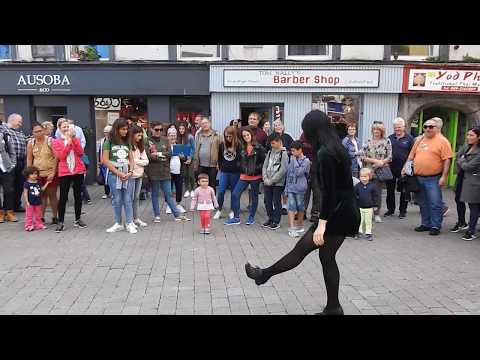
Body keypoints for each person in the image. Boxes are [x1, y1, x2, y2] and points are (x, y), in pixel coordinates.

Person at [244, 110, 360, 315]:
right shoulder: (336, 148)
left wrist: (322, 224)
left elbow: (330, 193)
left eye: (305, 130)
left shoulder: (326, 153)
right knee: (327, 258)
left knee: (302, 249)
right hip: (345, 209)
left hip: (337, 213)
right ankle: (334, 307)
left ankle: (264, 274)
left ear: (313, 130)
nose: (304, 135)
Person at [403, 118, 453, 236]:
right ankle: (425, 224)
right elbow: (411, 156)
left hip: (433, 178)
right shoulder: (420, 139)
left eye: (431, 127)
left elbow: (447, 160)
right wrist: (404, 168)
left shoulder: (443, 141)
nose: (428, 129)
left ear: (437, 128)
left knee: (435, 203)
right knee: (422, 203)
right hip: (418, 177)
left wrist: (444, 177)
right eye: (425, 126)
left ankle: (435, 225)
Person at [145, 121, 190, 223]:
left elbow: (170, 153)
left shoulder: (165, 140)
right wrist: (160, 156)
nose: (159, 132)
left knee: (168, 194)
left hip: (165, 171)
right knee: (155, 194)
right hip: (153, 172)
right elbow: (148, 155)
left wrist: (158, 154)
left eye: (161, 130)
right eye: (157, 130)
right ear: (151, 129)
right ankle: (157, 215)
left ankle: (177, 215)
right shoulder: (147, 141)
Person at [224, 127, 266, 226]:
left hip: (255, 176)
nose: (246, 137)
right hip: (243, 176)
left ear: (251, 135)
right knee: (235, 194)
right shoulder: (241, 147)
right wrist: (241, 167)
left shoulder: (259, 147)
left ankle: (251, 217)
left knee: (254, 197)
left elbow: (263, 162)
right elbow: (238, 160)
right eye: (244, 136)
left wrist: (255, 169)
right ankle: (236, 217)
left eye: (247, 135)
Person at [52, 118, 87, 233]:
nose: (66, 128)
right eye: (64, 127)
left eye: (68, 126)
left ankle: (78, 219)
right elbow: (61, 156)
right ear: (59, 128)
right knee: (63, 197)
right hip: (65, 171)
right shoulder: (56, 141)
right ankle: (61, 221)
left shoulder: (75, 139)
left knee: (78, 195)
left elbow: (80, 152)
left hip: (77, 170)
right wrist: (67, 143)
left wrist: (73, 140)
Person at [102, 117, 136, 234]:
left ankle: (130, 222)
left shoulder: (128, 142)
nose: (125, 131)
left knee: (128, 199)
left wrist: (130, 172)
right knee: (116, 199)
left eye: (126, 129)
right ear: (117, 129)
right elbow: (105, 160)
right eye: (123, 129)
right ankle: (118, 223)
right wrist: (118, 172)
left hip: (127, 173)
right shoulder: (108, 142)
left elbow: (131, 159)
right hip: (114, 174)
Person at [26, 122, 59, 225]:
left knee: (52, 195)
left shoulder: (50, 141)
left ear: (43, 131)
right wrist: (29, 174)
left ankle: (55, 216)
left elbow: (56, 157)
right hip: (37, 174)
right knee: (40, 195)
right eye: (35, 132)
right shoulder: (31, 143)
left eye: (40, 131)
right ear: (32, 132)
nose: (38, 133)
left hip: (50, 171)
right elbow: (29, 158)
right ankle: (41, 217)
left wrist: (53, 172)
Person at [360, 122, 392, 223]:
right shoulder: (368, 142)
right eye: (374, 129)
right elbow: (362, 156)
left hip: (380, 171)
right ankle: (366, 212)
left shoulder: (386, 141)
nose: (376, 131)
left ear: (382, 131)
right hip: (368, 171)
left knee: (377, 193)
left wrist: (381, 162)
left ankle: (377, 213)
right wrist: (374, 161)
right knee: (366, 193)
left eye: (378, 130)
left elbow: (390, 157)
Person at [385, 117, 414, 219]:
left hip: (404, 169)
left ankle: (403, 211)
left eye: (399, 127)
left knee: (404, 191)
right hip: (391, 168)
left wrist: (408, 167)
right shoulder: (390, 138)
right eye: (395, 127)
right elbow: (385, 152)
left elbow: (413, 154)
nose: (397, 129)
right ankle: (390, 210)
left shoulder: (410, 139)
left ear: (404, 127)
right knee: (390, 190)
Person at [456, 127, 480, 241]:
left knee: (474, 206)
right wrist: (461, 160)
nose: (468, 137)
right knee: (470, 205)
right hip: (465, 179)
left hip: (474, 182)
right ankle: (466, 225)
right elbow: (458, 157)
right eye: (468, 135)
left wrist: (461, 161)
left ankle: (471, 231)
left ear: (478, 137)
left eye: (471, 135)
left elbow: (469, 167)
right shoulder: (468, 146)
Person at [1, 113, 27, 213]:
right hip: (9, 161)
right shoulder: (3, 130)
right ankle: (8, 208)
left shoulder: (19, 133)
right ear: (12, 120)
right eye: (19, 122)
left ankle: (16, 205)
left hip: (20, 161)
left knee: (19, 185)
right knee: (9, 186)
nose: (20, 124)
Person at [262, 133, 289, 230]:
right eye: (271, 143)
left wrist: (272, 181)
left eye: (273, 143)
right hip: (267, 181)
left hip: (277, 183)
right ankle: (270, 218)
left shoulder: (284, 153)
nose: (271, 145)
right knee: (267, 201)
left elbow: (283, 169)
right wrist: (265, 178)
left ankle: (276, 221)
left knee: (276, 201)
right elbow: (264, 166)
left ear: (279, 142)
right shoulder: (269, 152)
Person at [214, 125, 241, 220]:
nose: (228, 138)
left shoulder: (238, 145)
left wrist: (238, 167)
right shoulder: (222, 144)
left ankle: (232, 210)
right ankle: (219, 209)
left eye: (230, 136)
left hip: (235, 173)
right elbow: (220, 158)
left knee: (234, 193)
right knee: (221, 191)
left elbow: (240, 159)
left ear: (234, 136)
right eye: (226, 136)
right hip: (224, 172)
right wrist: (221, 167)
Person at [285, 141, 311, 238]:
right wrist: (286, 188)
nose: (292, 153)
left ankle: (299, 225)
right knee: (291, 206)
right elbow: (289, 174)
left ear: (300, 150)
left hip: (300, 188)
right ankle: (292, 227)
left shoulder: (306, 161)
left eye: (294, 151)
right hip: (291, 187)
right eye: (291, 151)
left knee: (300, 207)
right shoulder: (292, 160)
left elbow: (299, 172)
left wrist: (294, 161)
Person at [270, 119, 294, 216]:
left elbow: (293, 148)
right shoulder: (271, 137)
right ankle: (276, 204)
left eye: (279, 125)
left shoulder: (287, 137)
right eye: (275, 125)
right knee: (276, 185)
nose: (278, 127)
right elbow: (268, 149)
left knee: (285, 186)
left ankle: (284, 205)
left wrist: (287, 151)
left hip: (286, 164)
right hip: (274, 165)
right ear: (273, 128)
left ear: (283, 126)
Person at [192, 117, 221, 191]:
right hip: (200, 165)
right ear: (201, 125)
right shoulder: (199, 135)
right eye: (203, 123)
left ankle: (212, 202)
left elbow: (221, 149)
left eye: (206, 123)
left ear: (210, 124)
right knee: (200, 185)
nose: (204, 125)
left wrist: (219, 162)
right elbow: (196, 149)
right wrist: (195, 163)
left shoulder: (216, 135)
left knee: (212, 184)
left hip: (213, 165)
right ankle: (201, 201)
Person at [130, 125, 149, 228]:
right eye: (138, 135)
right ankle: (130, 220)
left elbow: (146, 161)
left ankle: (136, 218)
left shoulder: (140, 147)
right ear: (132, 135)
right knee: (130, 197)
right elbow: (129, 161)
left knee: (136, 197)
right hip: (131, 175)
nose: (140, 138)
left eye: (141, 136)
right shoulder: (128, 146)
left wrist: (135, 161)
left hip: (139, 175)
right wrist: (138, 161)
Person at [299, 131, 321, 222]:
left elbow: (321, 148)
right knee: (304, 191)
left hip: (318, 168)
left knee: (317, 193)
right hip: (305, 167)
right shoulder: (304, 134)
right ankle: (302, 212)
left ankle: (315, 213)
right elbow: (300, 146)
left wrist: (306, 146)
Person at [22, 166, 51, 231]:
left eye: (36, 174)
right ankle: (28, 226)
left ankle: (38, 224)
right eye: (32, 174)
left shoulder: (38, 182)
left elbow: (42, 189)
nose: (34, 175)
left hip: (38, 202)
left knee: (38, 214)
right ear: (27, 175)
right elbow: (25, 193)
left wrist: (47, 183)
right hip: (30, 202)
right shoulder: (27, 183)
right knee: (29, 215)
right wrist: (27, 201)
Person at [355, 168, 379, 241]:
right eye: (362, 176)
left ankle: (368, 233)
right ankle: (359, 232)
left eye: (365, 177)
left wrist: (375, 205)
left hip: (369, 208)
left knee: (368, 221)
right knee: (360, 220)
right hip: (359, 207)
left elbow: (375, 196)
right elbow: (354, 195)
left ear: (369, 177)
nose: (363, 178)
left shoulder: (372, 186)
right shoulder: (357, 186)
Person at [166, 127, 186, 214]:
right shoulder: (166, 146)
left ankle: (178, 204)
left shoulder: (179, 145)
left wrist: (183, 156)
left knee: (179, 188)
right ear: (167, 136)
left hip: (179, 170)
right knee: (169, 189)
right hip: (168, 171)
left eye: (174, 135)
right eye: (171, 135)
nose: (173, 137)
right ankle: (169, 205)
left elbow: (185, 158)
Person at [0, 124, 18, 223]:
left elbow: (12, 151)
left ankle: (9, 212)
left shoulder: (5, 135)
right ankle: (0, 213)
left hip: (5, 167)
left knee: (9, 190)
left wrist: (12, 164)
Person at [177, 122, 196, 199]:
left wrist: (190, 158)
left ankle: (193, 190)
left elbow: (193, 148)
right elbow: (177, 148)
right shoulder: (178, 137)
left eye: (183, 129)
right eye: (180, 129)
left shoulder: (190, 137)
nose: (181, 130)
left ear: (185, 129)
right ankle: (187, 190)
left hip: (190, 158)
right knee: (185, 175)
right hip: (182, 158)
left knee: (191, 174)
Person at [98, 125, 112, 199]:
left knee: (110, 178)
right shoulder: (102, 140)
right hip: (103, 163)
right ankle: (106, 193)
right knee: (104, 178)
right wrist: (100, 161)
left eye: (107, 132)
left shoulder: (113, 140)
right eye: (104, 132)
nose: (105, 133)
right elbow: (100, 151)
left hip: (110, 162)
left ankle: (112, 192)